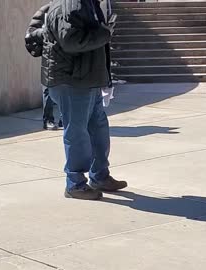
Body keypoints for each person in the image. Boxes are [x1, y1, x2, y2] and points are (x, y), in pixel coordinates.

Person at [42, 0, 127, 200]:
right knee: (77, 133)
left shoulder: (88, 3)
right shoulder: (71, 5)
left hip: (88, 78)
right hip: (73, 81)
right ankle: (75, 184)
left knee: (98, 127)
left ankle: (99, 175)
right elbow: (71, 41)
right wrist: (104, 33)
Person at [25, 3, 63, 130]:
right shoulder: (46, 10)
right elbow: (31, 33)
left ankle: (65, 118)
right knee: (48, 90)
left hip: (67, 56)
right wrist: (44, 34)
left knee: (67, 89)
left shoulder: (70, 8)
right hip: (50, 55)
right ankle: (48, 120)